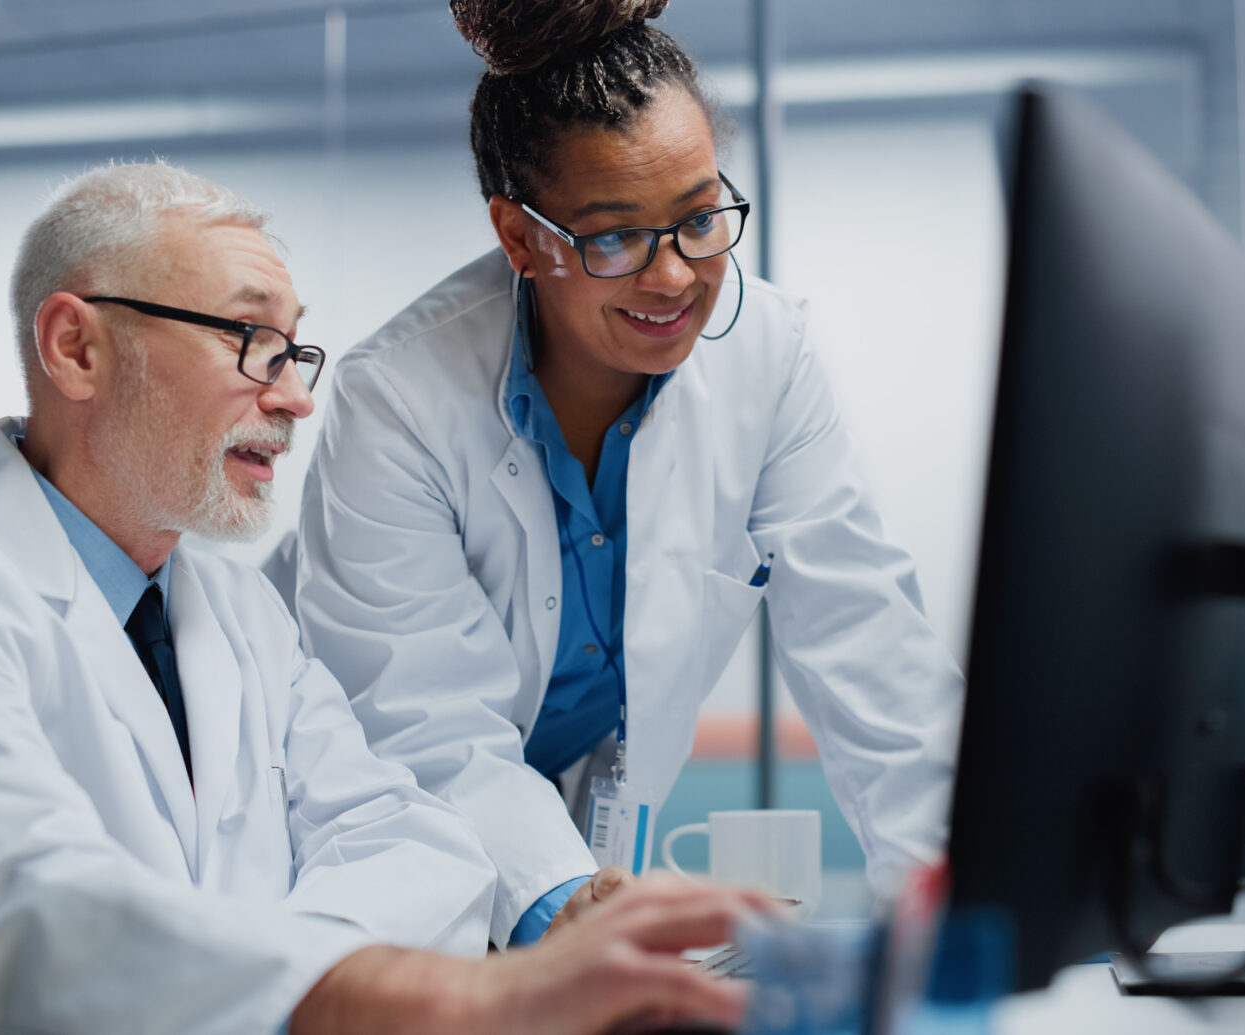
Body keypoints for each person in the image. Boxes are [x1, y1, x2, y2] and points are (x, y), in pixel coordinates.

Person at [0, 161, 767, 1035]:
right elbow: (15, 898)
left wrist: (272, 973)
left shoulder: (242, 615)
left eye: (297, 349)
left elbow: (416, 839)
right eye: (250, 336)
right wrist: (426, 994)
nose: (297, 397)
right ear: (78, 348)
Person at [293, 0, 965, 951]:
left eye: (699, 220)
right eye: (613, 238)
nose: (675, 277)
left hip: (587, 863)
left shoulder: (768, 357)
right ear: (520, 238)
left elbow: (872, 649)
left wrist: (964, 899)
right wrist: (571, 900)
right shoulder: (397, 400)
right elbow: (422, 724)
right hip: (400, 874)